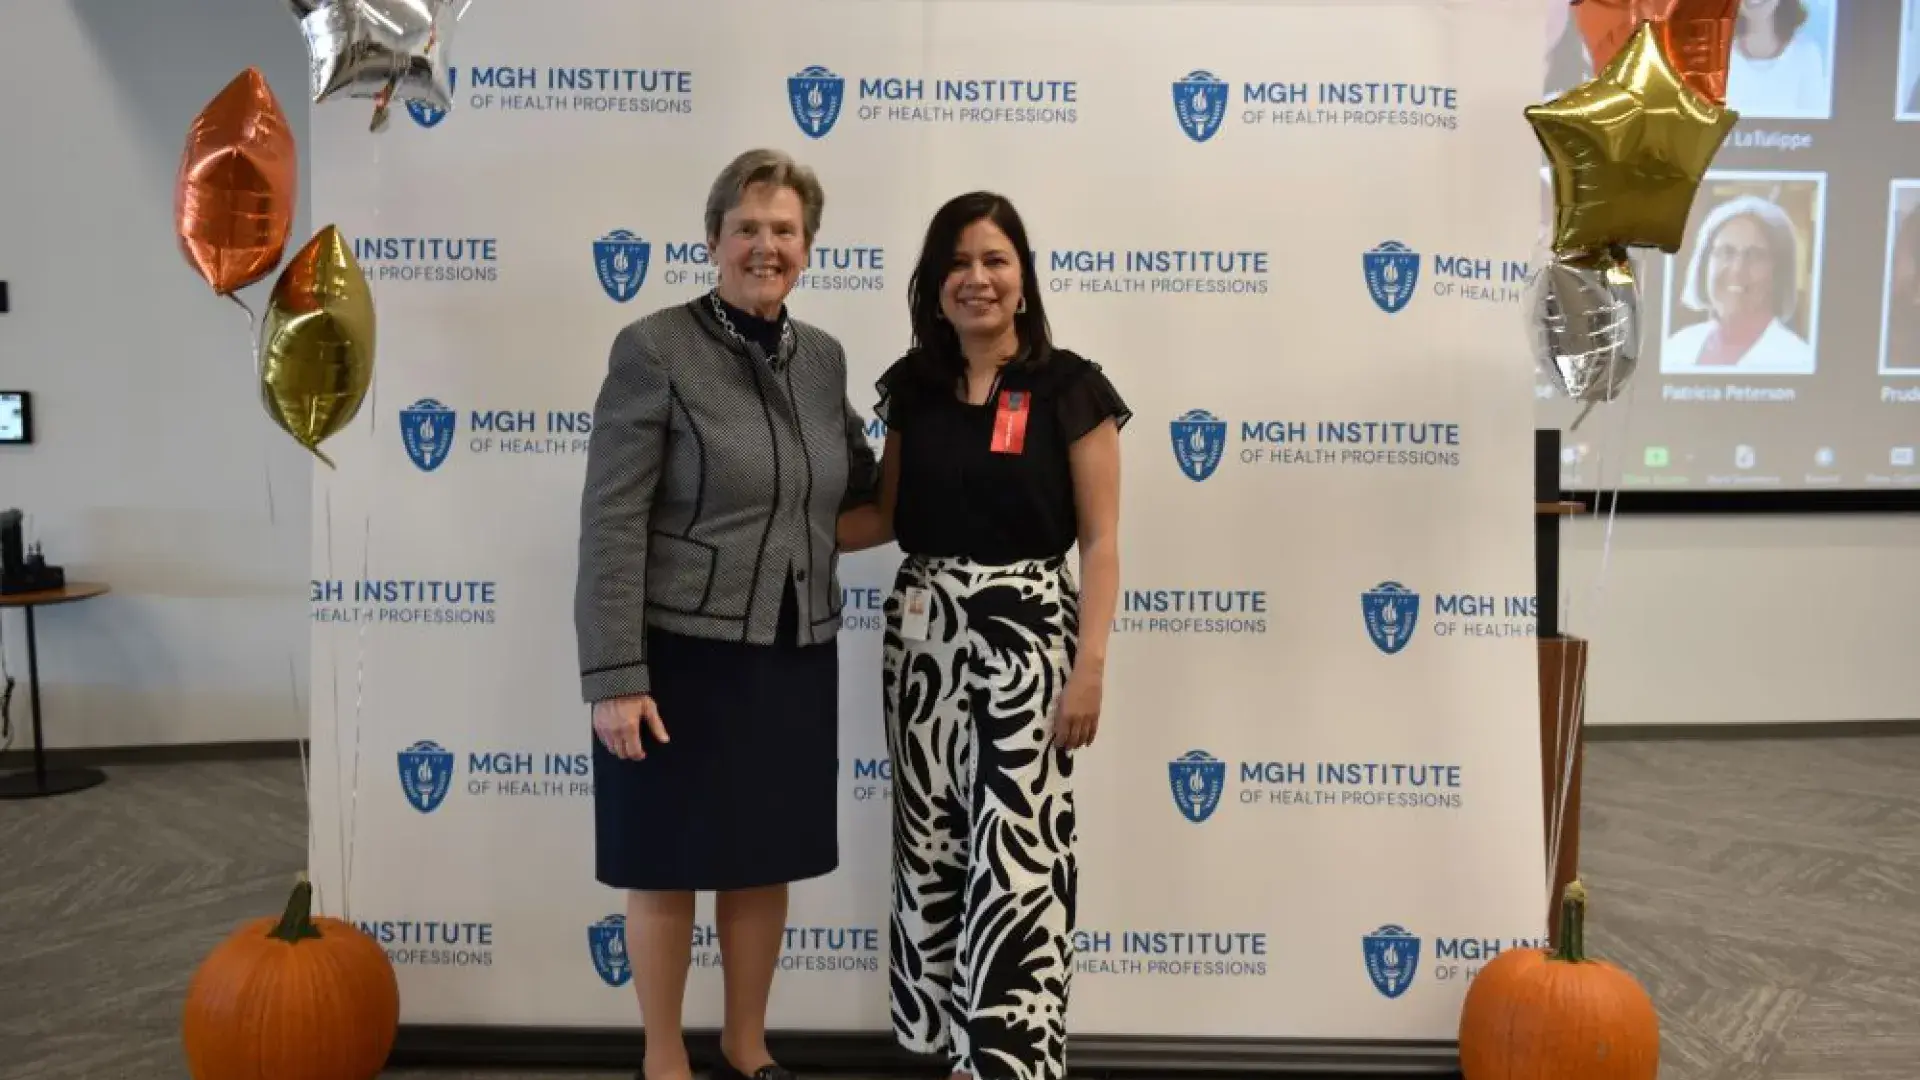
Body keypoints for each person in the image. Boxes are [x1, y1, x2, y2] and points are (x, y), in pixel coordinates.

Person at [575, 147, 879, 1080]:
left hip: (791, 650)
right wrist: (616, 678)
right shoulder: (654, 346)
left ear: (809, 248)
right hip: (674, 656)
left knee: (761, 858)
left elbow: (857, 496)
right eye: (747, 227)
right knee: (665, 862)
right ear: (712, 239)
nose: (765, 246)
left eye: (784, 231)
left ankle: (747, 1048)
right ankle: (663, 1057)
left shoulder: (823, 359)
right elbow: (613, 517)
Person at [838, 191, 1128, 1080]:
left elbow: (1103, 541)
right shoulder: (913, 386)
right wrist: (760, 522)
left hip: (1032, 637)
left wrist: (1090, 669)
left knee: (1017, 847)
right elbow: (884, 516)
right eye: (958, 262)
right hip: (922, 639)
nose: (977, 278)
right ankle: (938, 1043)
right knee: (931, 837)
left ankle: (1008, 1059)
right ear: (934, 282)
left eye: (995, 260)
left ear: (1024, 276)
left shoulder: (1071, 387)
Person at [1661, 193, 1816, 375]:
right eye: (1726, 252)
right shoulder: (1676, 347)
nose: (1737, 269)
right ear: (1704, 264)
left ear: (1778, 273)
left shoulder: (1798, 360)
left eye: (1755, 255)